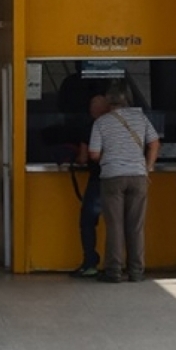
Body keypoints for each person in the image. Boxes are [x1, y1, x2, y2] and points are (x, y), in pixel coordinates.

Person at [88, 81, 159, 283]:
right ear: (128, 99)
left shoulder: (101, 123)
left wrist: (108, 158)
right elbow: (154, 143)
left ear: (108, 101)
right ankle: (136, 271)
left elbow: (93, 153)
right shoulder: (140, 118)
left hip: (112, 178)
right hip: (138, 176)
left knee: (115, 226)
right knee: (136, 226)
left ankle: (114, 271)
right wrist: (148, 167)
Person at [70, 92, 110, 278]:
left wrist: (75, 157)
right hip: (119, 178)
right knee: (117, 223)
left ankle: (90, 263)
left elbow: (85, 157)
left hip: (98, 181)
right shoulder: (117, 126)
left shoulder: (91, 128)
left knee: (87, 221)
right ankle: (115, 265)